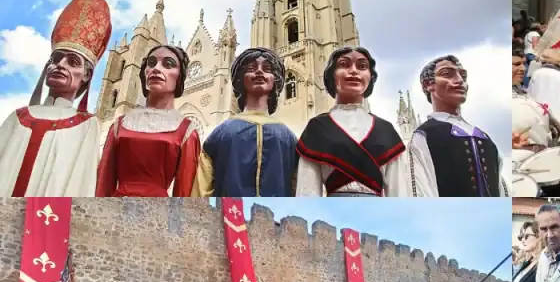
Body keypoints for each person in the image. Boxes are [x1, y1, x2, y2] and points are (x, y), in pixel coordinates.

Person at [0, 0, 111, 197]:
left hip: (46, 223)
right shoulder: (18, 117)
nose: (60, 65)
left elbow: (82, 185)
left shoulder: (87, 125)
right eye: (55, 59)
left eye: (72, 62)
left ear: (86, 75)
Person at [296, 46, 411, 196]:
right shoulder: (317, 127)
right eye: (344, 65)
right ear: (332, 75)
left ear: (370, 76)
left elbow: (399, 191)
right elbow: (307, 189)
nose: (354, 71)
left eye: (362, 66)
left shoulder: (386, 130)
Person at [96, 45, 201, 197]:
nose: (156, 69)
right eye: (151, 63)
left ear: (180, 76)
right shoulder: (119, 125)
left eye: (168, 64)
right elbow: (103, 185)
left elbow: (185, 194)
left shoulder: (187, 131)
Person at [193, 47, 297, 197]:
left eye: (267, 69)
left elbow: (299, 189)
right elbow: (201, 191)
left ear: (275, 80)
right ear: (241, 78)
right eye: (251, 68)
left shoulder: (289, 138)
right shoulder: (221, 134)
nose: (259, 72)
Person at [410, 55, 507, 196]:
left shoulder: (484, 137)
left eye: (463, 76)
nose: (459, 80)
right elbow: (421, 190)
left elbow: (501, 187)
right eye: (447, 74)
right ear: (428, 84)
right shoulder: (425, 135)